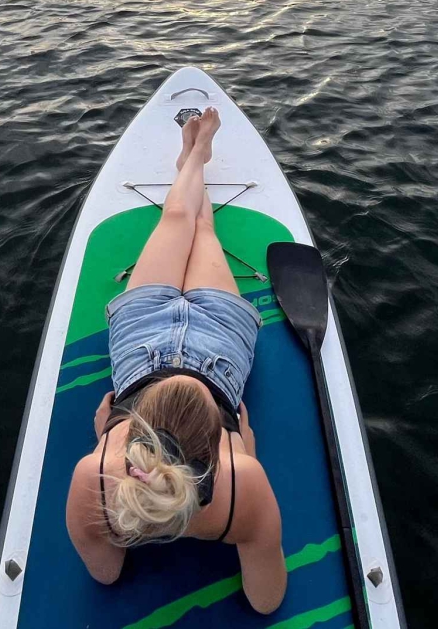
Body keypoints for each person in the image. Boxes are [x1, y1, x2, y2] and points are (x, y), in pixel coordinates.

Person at [65, 108, 287, 614]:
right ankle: (196, 156)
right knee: (200, 233)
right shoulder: (242, 485)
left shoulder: (95, 477)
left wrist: (107, 450)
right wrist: (246, 466)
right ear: (220, 444)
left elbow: (105, 571)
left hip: (173, 337)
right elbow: (266, 600)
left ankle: (193, 157)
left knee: (180, 222)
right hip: (190, 339)